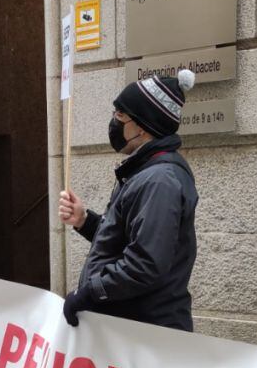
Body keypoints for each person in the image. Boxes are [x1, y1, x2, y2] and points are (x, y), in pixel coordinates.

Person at [57, 70, 199, 331]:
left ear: (142, 126)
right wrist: (85, 221)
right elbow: (129, 238)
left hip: (146, 333)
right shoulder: (144, 172)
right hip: (135, 328)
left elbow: (144, 264)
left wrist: (88, 293)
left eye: (120, 115)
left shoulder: (159, 180)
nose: (114, 121)